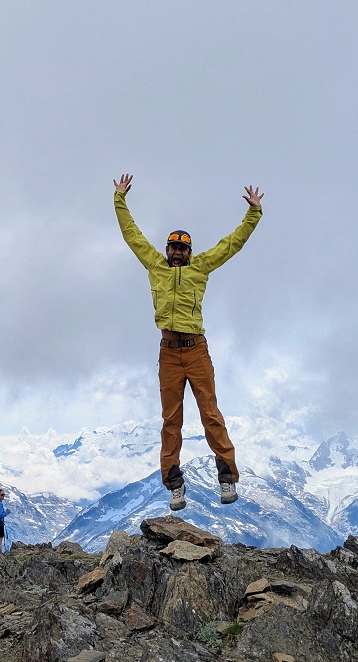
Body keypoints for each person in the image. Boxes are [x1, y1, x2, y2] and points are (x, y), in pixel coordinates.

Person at [113, 173, 264, 510]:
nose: (177, 252)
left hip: (196, 350)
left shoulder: (201, 267)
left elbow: (232, 244)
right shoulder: (155, 266)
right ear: (167, 250)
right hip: (168, 353)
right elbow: (132, 235)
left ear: (189, 252)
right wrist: (119, 199)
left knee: (210, 413)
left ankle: (227, 479)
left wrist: (253, 213)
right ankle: (175, 485)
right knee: (171, 420)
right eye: (173, 247)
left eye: (182, 248)